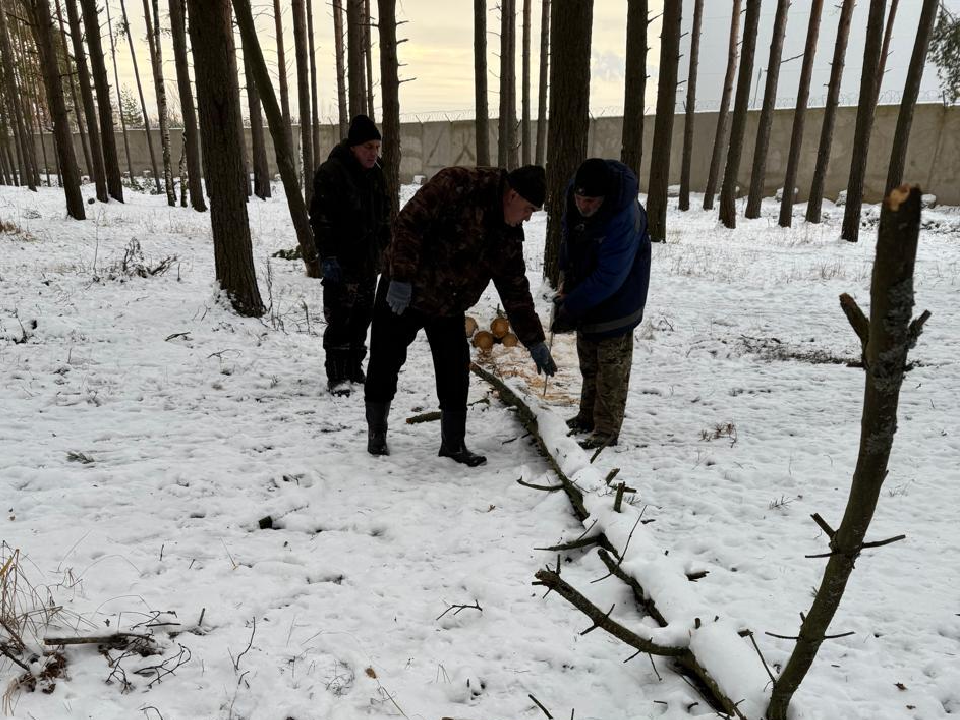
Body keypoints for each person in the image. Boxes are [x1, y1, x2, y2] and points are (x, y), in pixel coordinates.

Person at [363, 164, 558, 466]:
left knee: (455, 369)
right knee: (385, 359)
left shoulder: (507, 235)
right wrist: (400, 277)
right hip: (405, 289)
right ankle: (376, 433)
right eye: (529, 208)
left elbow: (515, 289)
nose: (529, 217)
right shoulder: (459, 184)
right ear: (513, 194)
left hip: (448, 302)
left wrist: (534, 340)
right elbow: (409, 223)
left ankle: (453, 445)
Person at [552, 158, 651, 450]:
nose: (582, 205)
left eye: (590, 201)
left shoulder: (624, 218)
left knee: (610, 365)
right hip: (588, 287)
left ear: (604, 198)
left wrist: (572, 304)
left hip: (621, 295)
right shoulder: (575, 195)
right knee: (588, 358)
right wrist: (565, 275)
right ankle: (586, 417)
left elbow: (610, 277)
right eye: (579, 198)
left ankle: (606, 428)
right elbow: (569, 234)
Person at [309, 114, 391, 396]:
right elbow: (320, 218)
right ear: (354, 146)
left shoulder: (377, 174)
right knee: (340, 320)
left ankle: (355, 368)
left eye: (377, 148)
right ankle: (337, 374)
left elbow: (386, 213)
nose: (373, 153)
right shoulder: (331, 172)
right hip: (341, 264)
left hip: (369, 263)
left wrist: (386, 246)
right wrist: (328, 256)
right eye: (368, 147)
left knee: (362, 319)